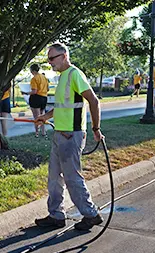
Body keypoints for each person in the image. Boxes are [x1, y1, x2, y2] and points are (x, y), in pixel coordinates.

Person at [34, 43, 104, 231]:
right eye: (48, 59)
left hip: (71, 136)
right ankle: (56, 215)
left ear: (64, 56)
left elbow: (94, 101)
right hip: (59, 135)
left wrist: (96, 128)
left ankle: (91, 214)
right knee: (54, 178)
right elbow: (61, 107)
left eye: (52, 59)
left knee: (72, 178)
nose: (50, 63)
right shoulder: (63, 77)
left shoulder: (74, 75)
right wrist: (45, 117)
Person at [22, 64, 49, 139]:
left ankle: (37, 133)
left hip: (36, 98)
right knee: (42, 115)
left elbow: (34, 91)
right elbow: (48, 89)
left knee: (36, 117)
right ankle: (44, 132)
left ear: (32, 70)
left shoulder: (34, 79)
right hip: (44, 97)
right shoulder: (44, 77)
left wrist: (26, 93)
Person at [0, 77, 11, 149]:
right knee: (4, 122)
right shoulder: (5, 75)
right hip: (6, 98)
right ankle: (5, 141)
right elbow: (9, 88)